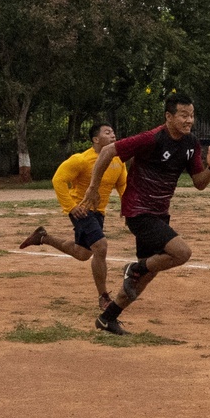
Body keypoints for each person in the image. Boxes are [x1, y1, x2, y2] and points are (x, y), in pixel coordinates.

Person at [79, 93, 210, 336]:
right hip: (138, 211)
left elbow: (199, 183)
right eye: (183, 115)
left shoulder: (191, 144)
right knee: (181, 253)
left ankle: (108, 318)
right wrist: (93, 187)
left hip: (160, 212)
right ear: (169, 117)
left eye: (192, 115)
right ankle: (135, 267)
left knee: (146, 277)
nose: (189, 120)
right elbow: (107, 152)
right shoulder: (152, 138)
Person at [19, 123, 127, 310]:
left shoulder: (118, 160)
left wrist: (128, 206)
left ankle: (43, 237)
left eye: (113, 132)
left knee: (83, 254)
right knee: (100, 247)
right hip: (82, 210)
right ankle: (103, 297)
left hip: (99, 212)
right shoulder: (82, 160)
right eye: (107, 132)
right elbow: (58, 180)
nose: (113, 135)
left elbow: (123, 185)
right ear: (95, 139)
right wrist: (71, 207)